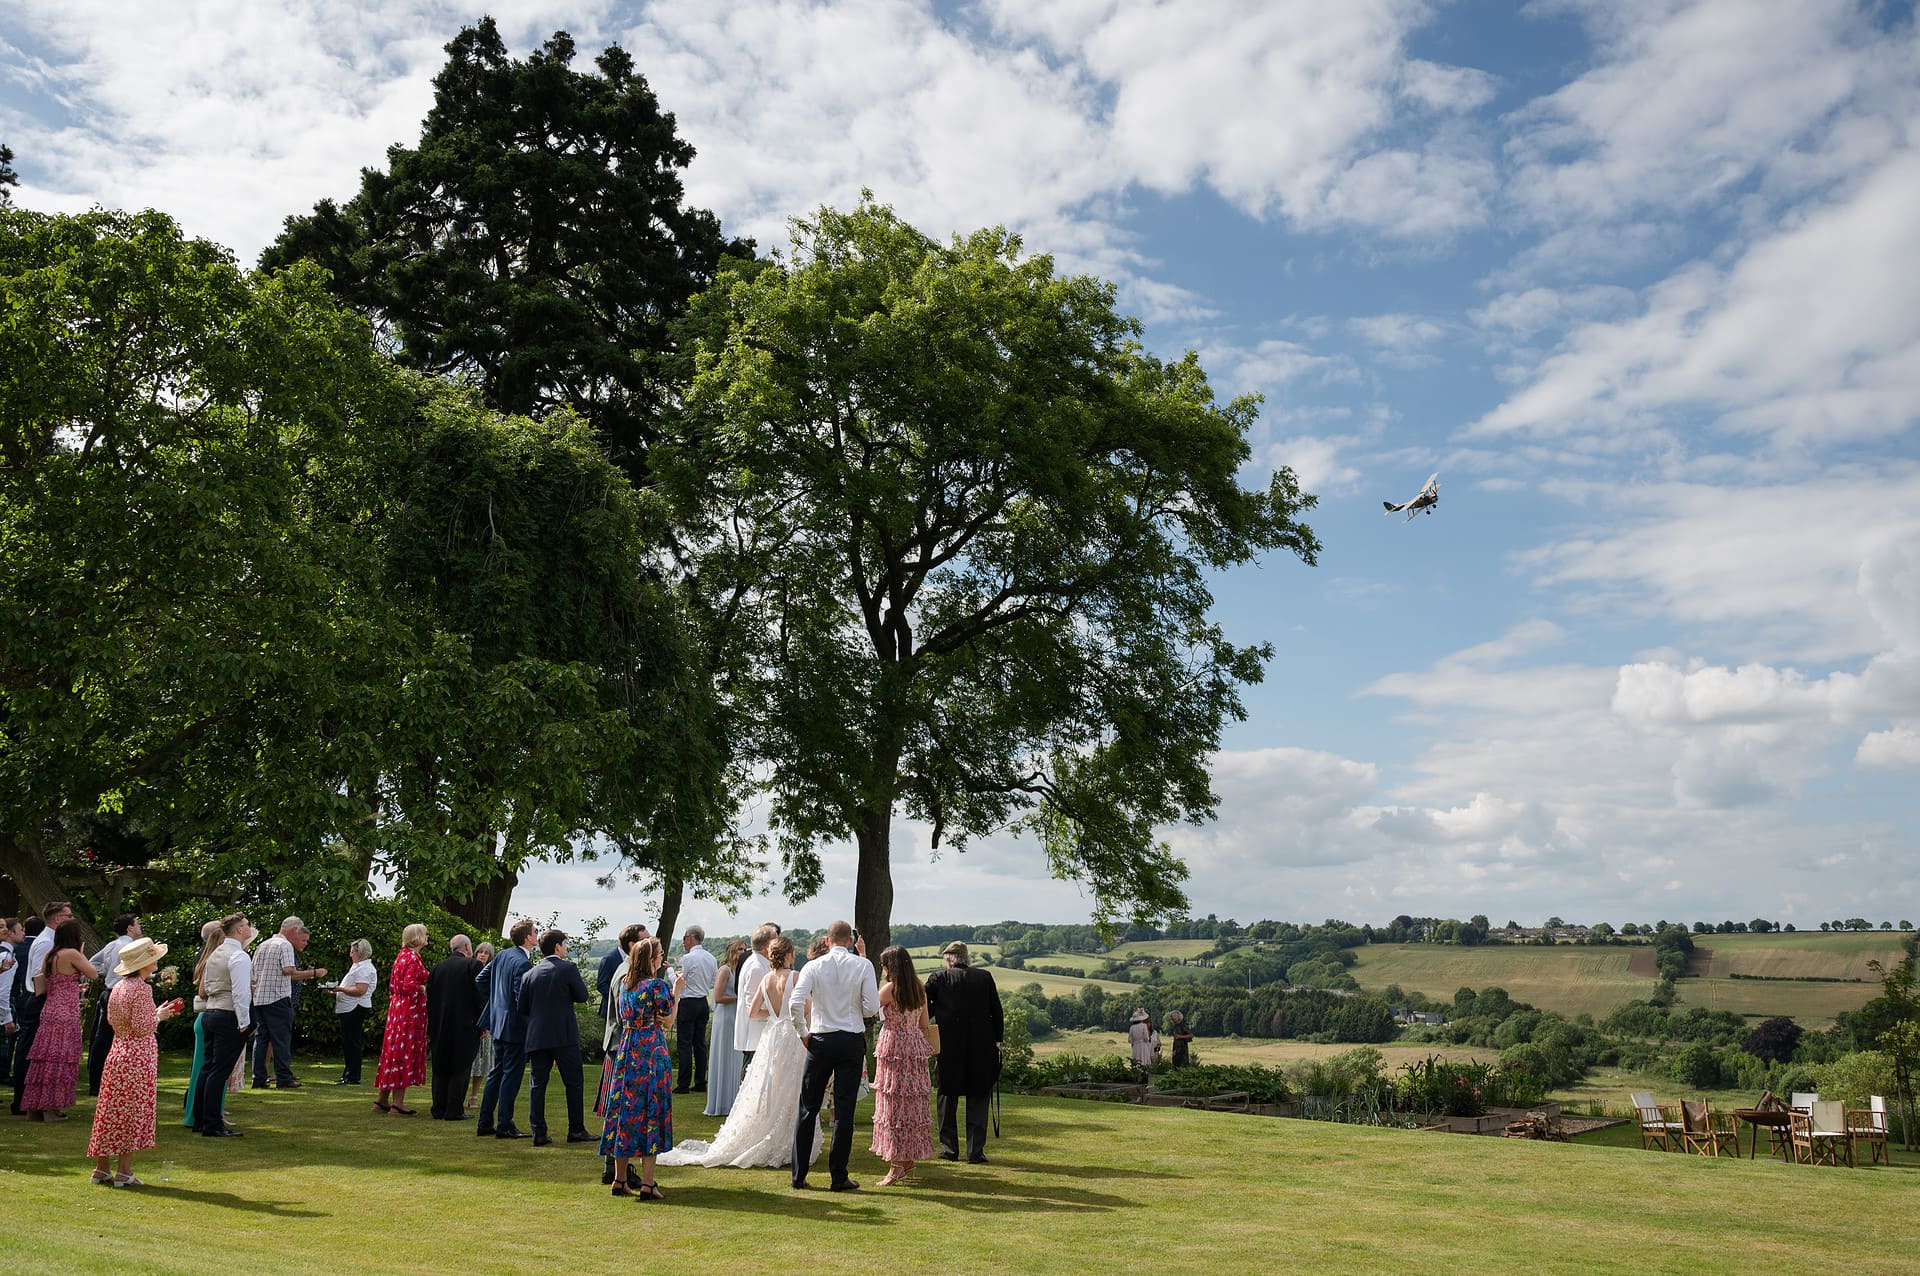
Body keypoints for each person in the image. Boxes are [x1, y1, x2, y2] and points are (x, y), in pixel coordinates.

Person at [658, 935, 822, 1171]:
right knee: (794, 1087)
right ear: (787, 955)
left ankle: (771, 1135)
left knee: (770, 1086)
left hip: (772, 1035)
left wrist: (775, 1017)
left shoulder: (766, 979)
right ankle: (788, 1141)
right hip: (792, 1036)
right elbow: (806, 1008)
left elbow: (753, 1012)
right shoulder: (795, 977)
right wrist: (791, 1019)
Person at [786, 920, 877, 1191]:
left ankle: (799, 1175)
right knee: (844, 1110)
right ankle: (838, 1176)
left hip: (821, 1038)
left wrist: (804, 1033)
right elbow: (871, 1007)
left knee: (808, 1107)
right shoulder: (863, 965)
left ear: (827, 941)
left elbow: (795, 1002)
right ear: (850, 941)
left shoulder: (813, 966)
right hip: (850, 1039)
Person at [86, 935, 181, 1187]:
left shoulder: (118, 987)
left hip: (118, 1051)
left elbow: (116, 1021)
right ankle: (124, 1172)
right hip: (137, 1055)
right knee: (131, 1112)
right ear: (143, 964)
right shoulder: (141, 988)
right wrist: (159, 1016)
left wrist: (153, 1014)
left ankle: (101, 1168)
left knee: (110, 1110)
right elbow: (142, 1027)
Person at [599, 937, 680, 1198]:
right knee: (650, 1110)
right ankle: (647, 1183)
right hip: (650, 1051)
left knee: (625, 1110)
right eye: (659, 955)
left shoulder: (625, 985)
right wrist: (677, 989)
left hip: (627, 1049)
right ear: (652, 959)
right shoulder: (656, 986)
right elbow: (668, 1020)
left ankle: (620, 1179)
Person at [924, 940, 1004, 1164]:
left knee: (947, 1098)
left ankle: (949, 1150)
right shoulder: (984, 977)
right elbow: (996, 1011)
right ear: (965, 959)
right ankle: (975, 1152)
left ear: (948, 961)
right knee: (979, 1097)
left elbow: (924, 1007)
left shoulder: (938, 978)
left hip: (949, 1048)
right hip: (982, 1047)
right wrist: (998, 1041)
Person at [517, 928, 591, 1146]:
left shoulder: (529, 974)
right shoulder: (568, 968)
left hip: (537, 1036)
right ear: (558, 946)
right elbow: (582, 995)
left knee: (537, 1085)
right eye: (565, 944)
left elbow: (522, 1007)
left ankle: (538, 1132)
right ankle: (576, 1129)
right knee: (574, 1083)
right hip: (563, 1035)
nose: (566, 948)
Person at [870, 945, 936, 1187]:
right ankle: (906, 1159)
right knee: (910, 1107)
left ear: (892, 966)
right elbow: (924, 1023)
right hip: (914, 1048)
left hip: (894, 1047)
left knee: (894, 1106)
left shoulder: (890, 989)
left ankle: (896, 1165)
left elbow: (868, 1007)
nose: (883, 968)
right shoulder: (919, 990)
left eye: (884, 964)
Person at [22, 918, 98, 1119]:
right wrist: (81, 953)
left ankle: (34, 1107)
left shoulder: (51, 954)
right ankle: (51, 1108)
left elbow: (55, 981)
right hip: (65, 1011)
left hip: (49, 1009)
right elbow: (94, 974)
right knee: (60, 1058)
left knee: (44, 1057)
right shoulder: (72, 953)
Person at [191, 913, 254, 1138]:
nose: (249, 928)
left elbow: (207, 986)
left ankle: (200, 1118)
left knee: (208, 1068)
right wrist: (244, 1021)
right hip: (228, 1014)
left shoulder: (216, 952)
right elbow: (241, 992)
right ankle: (212, 1123)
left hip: (211, 1012)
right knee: (219, 1071)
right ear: (239, 930)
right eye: (247, 925)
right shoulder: (239, 956)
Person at [474, 920, 535, 1139]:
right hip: (515, 1026)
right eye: (535, 932)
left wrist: (496, 1004)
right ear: (528, 937)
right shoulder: (522, 963)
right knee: (511, 1075)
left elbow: (481, 979)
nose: (537, 935)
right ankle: (505, 1124)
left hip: (497, 1022)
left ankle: (484, 1122)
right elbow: (521, 1000)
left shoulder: (501, 955)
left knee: (496, 1072)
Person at [10, 901, 73, 1115]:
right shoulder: (47, 943)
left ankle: (30, 1102)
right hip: (38, 999)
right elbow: (40, 976)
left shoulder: (49, 940)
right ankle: (22, 1102)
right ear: (57, 919)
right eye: (68, 916)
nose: (72, 920)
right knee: (30, 1052)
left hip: (39, 998)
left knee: (33, 1051)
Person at [252, 917, 326, 1089]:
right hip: (278, 998)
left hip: (260, 998)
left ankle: (259, 1079)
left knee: (261, 1039)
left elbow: (253, 972)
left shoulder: (263, 944)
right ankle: (284, 1078)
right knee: (281, 1040)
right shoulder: (284, 945)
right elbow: (288, 971)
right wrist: (313, 973)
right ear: (293, 930)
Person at [425, 934, 483, 1120]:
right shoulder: (473, 966)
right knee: (461, 1066)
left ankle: (438, 1107)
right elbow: (479, 996)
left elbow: (430, 999)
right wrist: (483, 1023)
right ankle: (454, 1109)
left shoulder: (437, 968)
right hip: (465, 1024)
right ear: (467, 947)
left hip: (439, 1023)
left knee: (440, 1066)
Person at [374, 923, 430, 1115]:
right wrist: (423, 989)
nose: (427, 936)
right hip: (409, 1011)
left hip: (397, 1010)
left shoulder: (402, 956)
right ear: (417, 937)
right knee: (404, 1051)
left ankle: (382, 1100)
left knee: (393, 1052)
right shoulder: (413, 958)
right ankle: (398, 1103)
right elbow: (409, 986)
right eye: (425, 933)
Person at [85, 913, 141, 1096]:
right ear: (130, 927)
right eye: (137, 923)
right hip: (121, 992)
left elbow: (93, 963)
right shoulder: (129, 946)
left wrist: (108, 971)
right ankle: (103, 1083)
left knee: (100, 1039)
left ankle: (97, 1081)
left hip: (108, 991)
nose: (140, 926)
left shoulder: (112, 945)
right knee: (115, 1039)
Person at [704, 939, 746, 1118]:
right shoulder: (725, 970)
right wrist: (740, 998)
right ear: (731, 951)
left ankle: (733, 1101)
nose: (742, 952)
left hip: (736, 1017)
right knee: (724, 1056)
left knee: (736, 1057)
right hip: (725, 1016)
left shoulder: (741, 970)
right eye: (739, 949)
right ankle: (720, 1102)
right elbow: (718, 997)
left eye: (744, 949)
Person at [673, 926, 717, 1094]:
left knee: (684, 1044)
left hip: (688, 1002)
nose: (684, 941)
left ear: (690, 938)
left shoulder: (687, 958)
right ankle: (700, 1081)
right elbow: (714, 981)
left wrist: (670, 970)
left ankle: (683, 1084)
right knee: (699, 1044)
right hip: (702, 1002)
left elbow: (679, 980)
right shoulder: (711, 958)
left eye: (684, 938)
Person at [333, 938, 376, 1085]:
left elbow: (360, 990)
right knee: (348, 1042)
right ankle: (348, 1073)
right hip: (349, 1007)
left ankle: (353, 1076)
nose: (350, 954)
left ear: (359, 952)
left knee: (352, 1042)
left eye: (352, 951)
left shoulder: (364, 968)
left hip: (355, 1007)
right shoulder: (358, 966)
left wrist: (339, 988)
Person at [734, 924, 775, 1073]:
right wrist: (778, 1012)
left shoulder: (760, 963)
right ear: (767, 946)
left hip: (758, 1034)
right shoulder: (757, 967)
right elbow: (753, 1010)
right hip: (755, 1035)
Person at [467, 941, 493, 1111]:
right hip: (470, 1021)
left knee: (483, 1060)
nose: (482, 955)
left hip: (487, 1021)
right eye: (480, 952)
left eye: (486, 953)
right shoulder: (468, 971)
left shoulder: (492, 974)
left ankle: (474, 1095)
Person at [0, 917, 22, 1083]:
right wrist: (7, 1018)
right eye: (21, 930)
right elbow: (3, 991)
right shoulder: (6, 957)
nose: (24, 933)